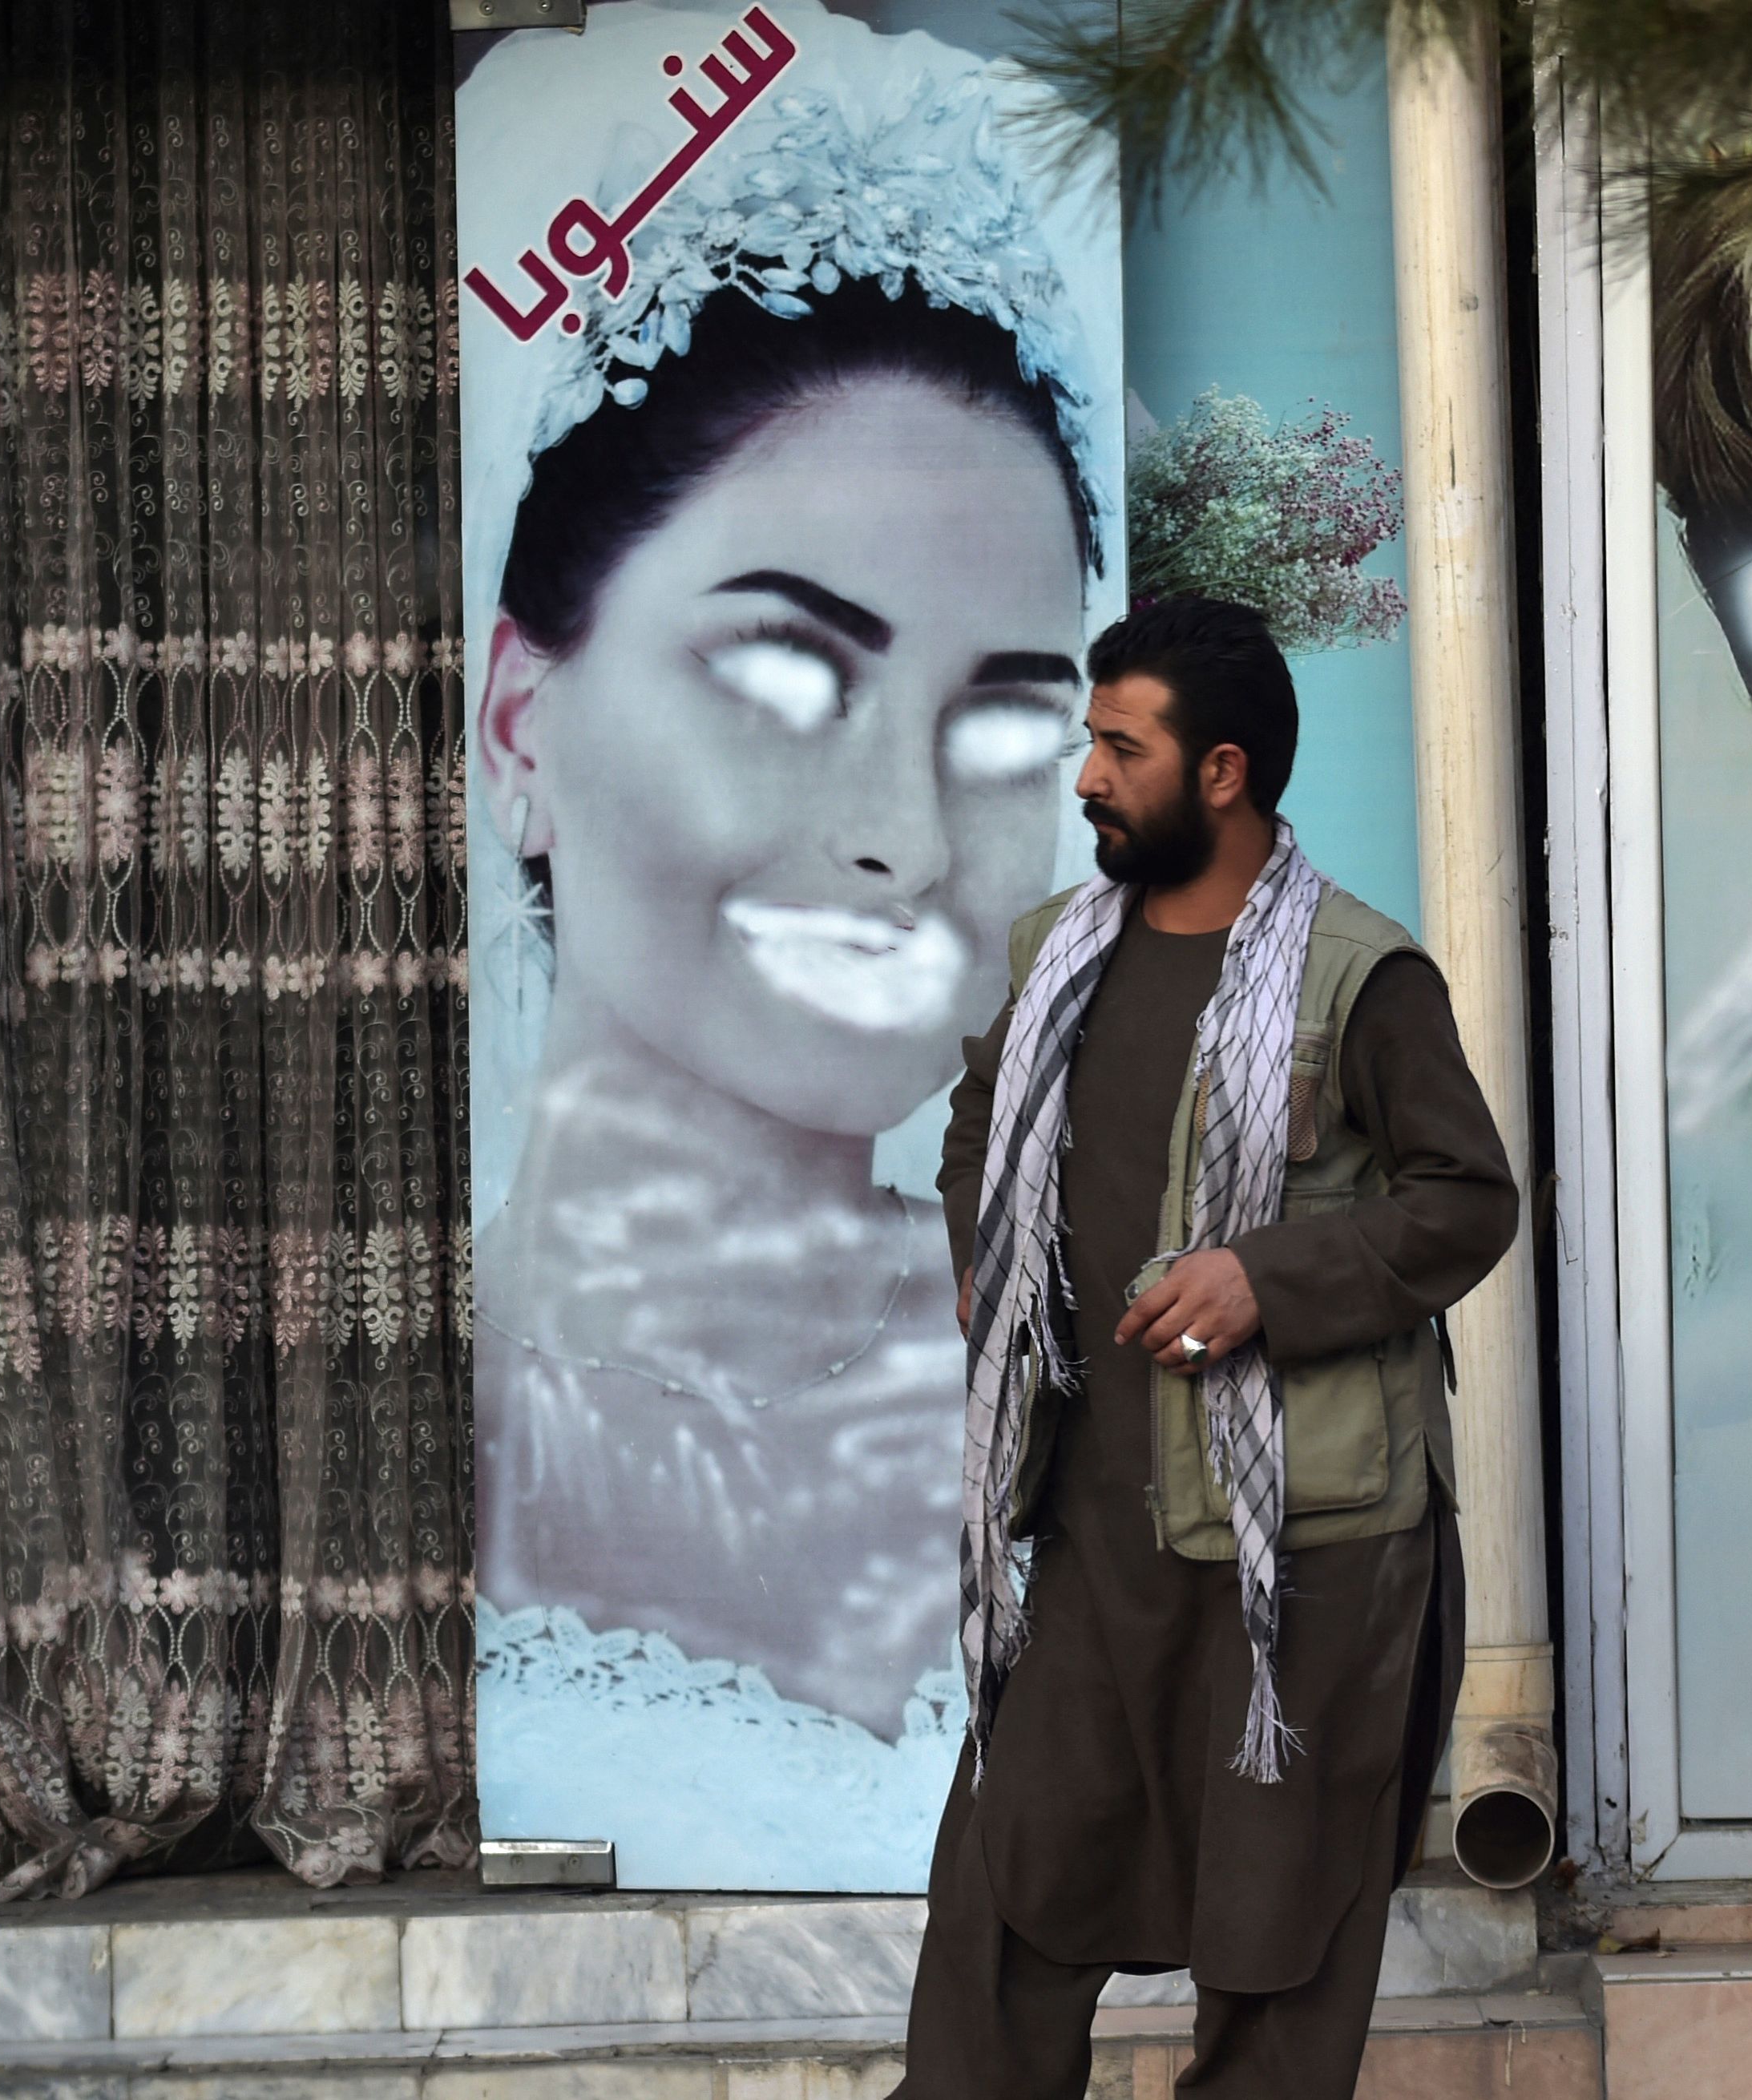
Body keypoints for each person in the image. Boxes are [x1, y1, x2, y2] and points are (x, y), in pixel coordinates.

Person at [460, 2, 1116, 1883]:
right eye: (783, 668)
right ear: (522, 722)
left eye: (1004, 724)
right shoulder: (388, 1403)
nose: (903, 837)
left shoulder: (1083, 1380)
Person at [901, 596, 1517, 2098]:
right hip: (1088, 1536)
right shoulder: (1055, 959)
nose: (1087, 777)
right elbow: (976, 1144)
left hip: (1304, 1557)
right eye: (1090, 742)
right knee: (1001, 1914)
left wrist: (1268, 1276)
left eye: (1121, 746)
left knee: (1278, 1950)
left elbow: (1468, 1202)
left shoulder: (1360, 981)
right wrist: (990, 1276)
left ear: (1223, 772)